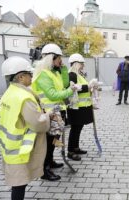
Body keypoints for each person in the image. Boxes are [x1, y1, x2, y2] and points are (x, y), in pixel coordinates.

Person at [0, 56, 51, 200]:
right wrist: (48, 116)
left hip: (9, 146)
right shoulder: (24, 97)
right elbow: (37, 124)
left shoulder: (9, 93)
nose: (32, 76)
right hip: (20, 149)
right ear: (21, 77)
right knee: (19, 184)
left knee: (18, 184)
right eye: (29, 74)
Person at [31, 43, 76, 181]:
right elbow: (53, 95)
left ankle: (50, 162)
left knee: (52, 141)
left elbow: (64, 84)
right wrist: (70, 91)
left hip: (56, 112)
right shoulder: (43, 75)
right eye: (59, 59)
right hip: (49, 114)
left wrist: (62, 69)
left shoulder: (52, 72)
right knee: (48, 143)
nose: (61, 61)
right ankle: (44, 170)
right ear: (51, 58)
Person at [67, 53, 93, 161]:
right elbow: (74, 88)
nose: (83, 66)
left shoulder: (78, 74)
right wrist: (88, 86)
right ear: (76, 63)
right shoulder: (72, 74)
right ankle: (70, 151)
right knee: (75, 129)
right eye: (82, 64)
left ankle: (76, 148)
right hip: (75, 107)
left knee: (78, 128)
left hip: (81, 107)